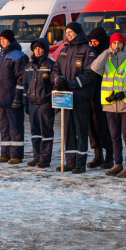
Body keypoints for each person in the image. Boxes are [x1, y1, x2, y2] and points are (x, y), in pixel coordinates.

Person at [95, 33, 126, 178]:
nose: (116, 46)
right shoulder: (106, 60)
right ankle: (117, 163)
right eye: (114, 43)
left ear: (123, 45)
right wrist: (106, 52)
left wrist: (124, 93)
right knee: (114, 135)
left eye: (119, 43)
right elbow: (94, 67)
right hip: (110, 104)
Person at [55, 22, 98, 173]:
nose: (68, 34)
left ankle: (80, 163)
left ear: (78, 33)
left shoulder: (88, 51)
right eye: (67, 32)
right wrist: (58, 80)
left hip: (80, 97)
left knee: (80, 131)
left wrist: (71, 84)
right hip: (66, 98)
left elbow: (90, 74)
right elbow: (56, 68)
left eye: (71, 32)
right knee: (68, 131)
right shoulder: (63, 50)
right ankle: (70, 161)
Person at [25, 38, 63, 168]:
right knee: (35, 132)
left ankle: (45, 159)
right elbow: (25, 85)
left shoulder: (51, 65)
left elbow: (56, 85)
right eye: (35, 48)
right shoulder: (29, 66)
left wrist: (54, 104)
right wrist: (26, 103)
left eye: (40, 48)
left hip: (45, 104)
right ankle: (37, 157)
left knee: (46, 132)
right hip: (32, 104)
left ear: (45, 49)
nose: (37, 50)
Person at [0, 30, 28, 164]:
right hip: (1, 99)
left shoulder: (19, 56)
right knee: (4, 128)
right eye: (1, 39)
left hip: (12, 99)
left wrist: (18, 97)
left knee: (15, 127)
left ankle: (16, 155)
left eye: (5, 39)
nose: (2, 41)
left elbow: (22, 79)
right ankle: (5, 153)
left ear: (11, 40)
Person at [86, 27, 114, 169]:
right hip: (91, 93)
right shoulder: (90, 52)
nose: (93, 44)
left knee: (105, 126)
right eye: (91, 42)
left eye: (95, 42)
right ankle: (98, 155)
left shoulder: (109, 53)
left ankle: (110, 155)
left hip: (105, 94)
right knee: (92, 125)